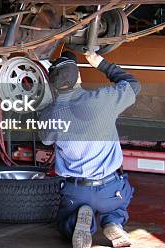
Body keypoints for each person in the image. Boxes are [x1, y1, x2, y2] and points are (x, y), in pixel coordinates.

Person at [41, 50, 141, 248]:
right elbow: (133, 86)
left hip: (76, 192)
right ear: (79, 77)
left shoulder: (51, 114)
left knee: (63, 222)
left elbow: (45, 140)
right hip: (110, 189)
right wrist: (101, 64)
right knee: (122, 199)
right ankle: (113, 221)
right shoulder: (103, 99)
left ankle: (77, 220)